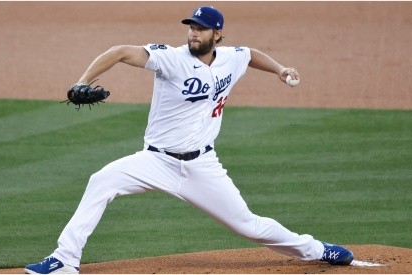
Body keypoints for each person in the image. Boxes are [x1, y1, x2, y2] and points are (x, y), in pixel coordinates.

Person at [25, 6, 353, 274]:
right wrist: (81, 81)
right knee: (102, 181)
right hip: (155, 160)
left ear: (217, 34)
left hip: (203, 166)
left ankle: (316, 250)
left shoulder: (230, 58)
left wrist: (280, 69)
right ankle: (65, 260)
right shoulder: (171, 58)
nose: (193, 32)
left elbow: (249, 55)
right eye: (191, 27)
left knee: (248, 225)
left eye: (201, 28)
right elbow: (121, 51)